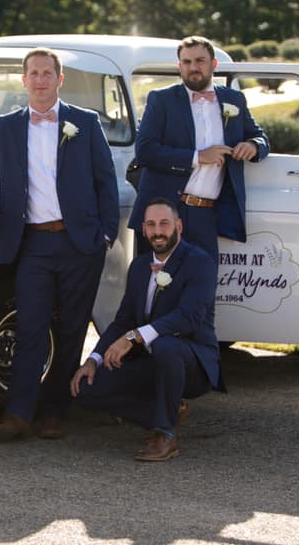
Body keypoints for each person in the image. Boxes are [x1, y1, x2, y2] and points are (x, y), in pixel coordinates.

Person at [0, 47, 119, 442]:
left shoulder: (84, 123)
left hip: (81, 245)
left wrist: (105, 235)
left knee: (71, 330)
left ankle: (54, 413)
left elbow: (106, 181)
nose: (40, 79)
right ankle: (18, 413)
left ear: (59, 79)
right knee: (30, 326)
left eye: (47, 73)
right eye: (33, 73)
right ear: (24, 80)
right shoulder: (7, 126)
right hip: (32, 244)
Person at [71, 197, 223, 462]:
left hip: (192, 363)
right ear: (143, 229)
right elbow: (123, 320)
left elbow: (189, 317)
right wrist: (93, 359)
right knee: (85, 388)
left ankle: (165, 435)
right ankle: (165, 412)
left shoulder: (200, 263)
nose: (157, 231)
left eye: (164, 224)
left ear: (179, 226)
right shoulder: (140, 266)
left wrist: (135, 337)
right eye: (151, 225)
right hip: (150, 361)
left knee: (165, 345)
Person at [129, 35, 269, 261]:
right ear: (179, 66)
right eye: (186, 62)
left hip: (206, 214)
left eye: (200, 61)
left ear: (213, 64)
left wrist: (253, 145)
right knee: (158, 289)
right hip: (163, 213)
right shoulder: (161, 99)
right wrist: (198, 157)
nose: (193, 68)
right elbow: (145, 151)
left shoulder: (234, 99)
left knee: (202, 287)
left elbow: (260, 137)